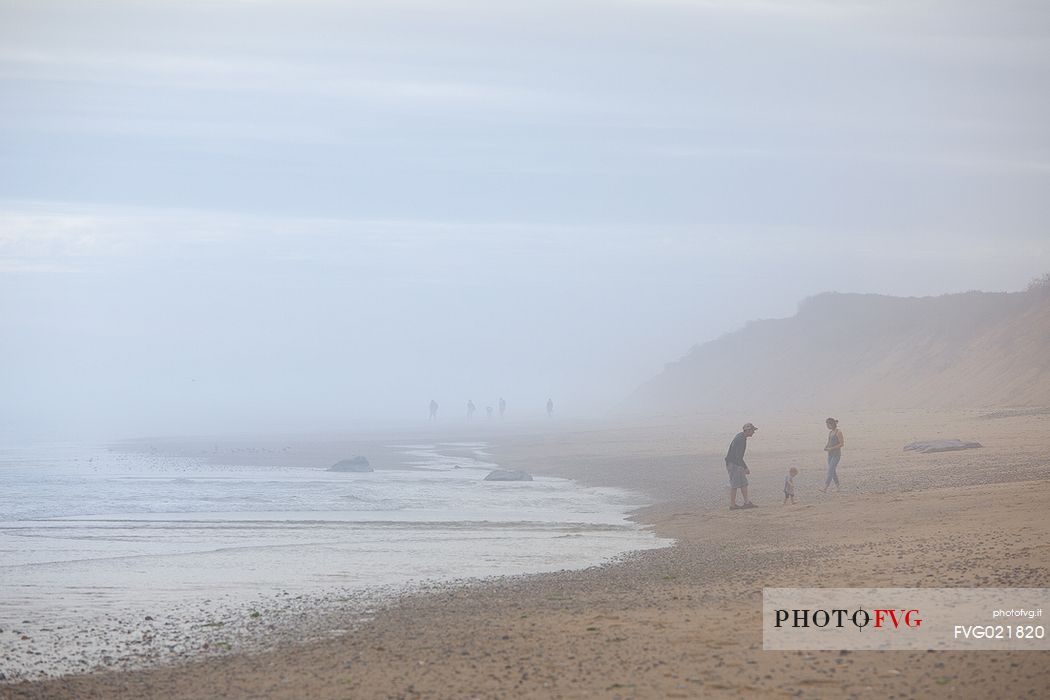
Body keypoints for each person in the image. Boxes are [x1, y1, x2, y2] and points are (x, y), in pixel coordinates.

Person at [725, 422, 758, 510]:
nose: (754, 432)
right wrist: (745, 467)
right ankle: (732, 505)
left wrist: (742, 466)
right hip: (734, 464)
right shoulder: (740, 439)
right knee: (734, 485)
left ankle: (747, 503)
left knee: (744, 483)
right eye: (752, 430)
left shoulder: (741, 437)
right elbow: (737, 456)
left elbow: (738, 456)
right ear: (748, 430)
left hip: (736, 463)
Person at [820, 417, 844, 493]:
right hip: (830, 455)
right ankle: (838, 487)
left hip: (836, 455)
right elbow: (829, 442)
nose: (827, 426)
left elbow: (841, 444)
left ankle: (825, 488)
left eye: (827, 424)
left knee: (830, 470)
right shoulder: (830, 432)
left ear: (832, 424)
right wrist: (826, 447)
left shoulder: (838, 432)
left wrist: (832, 448)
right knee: (832, 471)